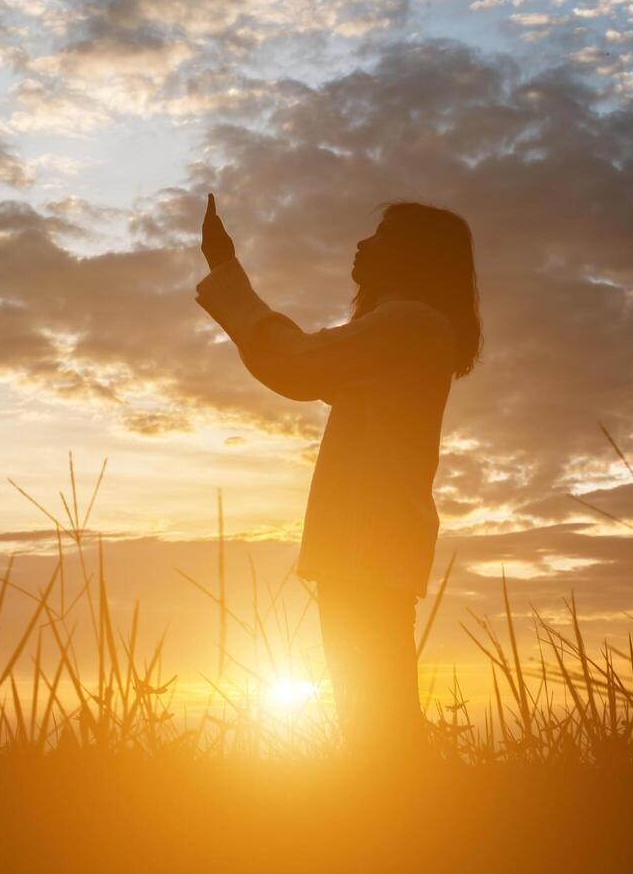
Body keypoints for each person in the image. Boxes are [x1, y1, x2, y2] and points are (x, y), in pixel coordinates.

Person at [194, 193, 482, 758]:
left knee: (379, 722)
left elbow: (297, 362)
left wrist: (227, 273)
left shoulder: (410, 323)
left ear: (412, 254)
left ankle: (408, 830)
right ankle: (405, 825)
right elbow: (303, 366)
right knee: (377, 714)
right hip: (372, 540)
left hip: (368, 541)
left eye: (381, 238)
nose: (363, 244)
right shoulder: (408, 328)